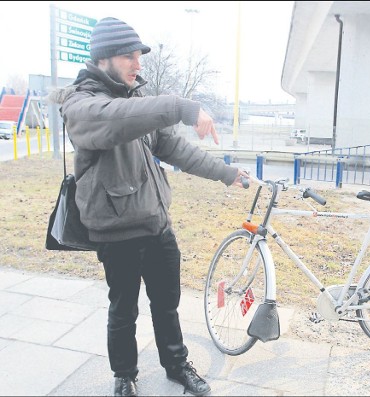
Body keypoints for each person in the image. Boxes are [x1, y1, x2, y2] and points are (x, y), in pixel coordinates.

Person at [50, 17, 249, 396]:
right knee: (123, 311)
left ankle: (176, 366)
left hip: (157, 224)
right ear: (104, 58)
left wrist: (227, 173)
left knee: (167, 305)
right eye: (129, 57)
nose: (138, 65)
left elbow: (174, 148)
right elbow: (116, 121)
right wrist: (181, 106)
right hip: (116, 229)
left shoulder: (135, 99)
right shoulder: (82, 105)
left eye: (139, 56)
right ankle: (124, 375)